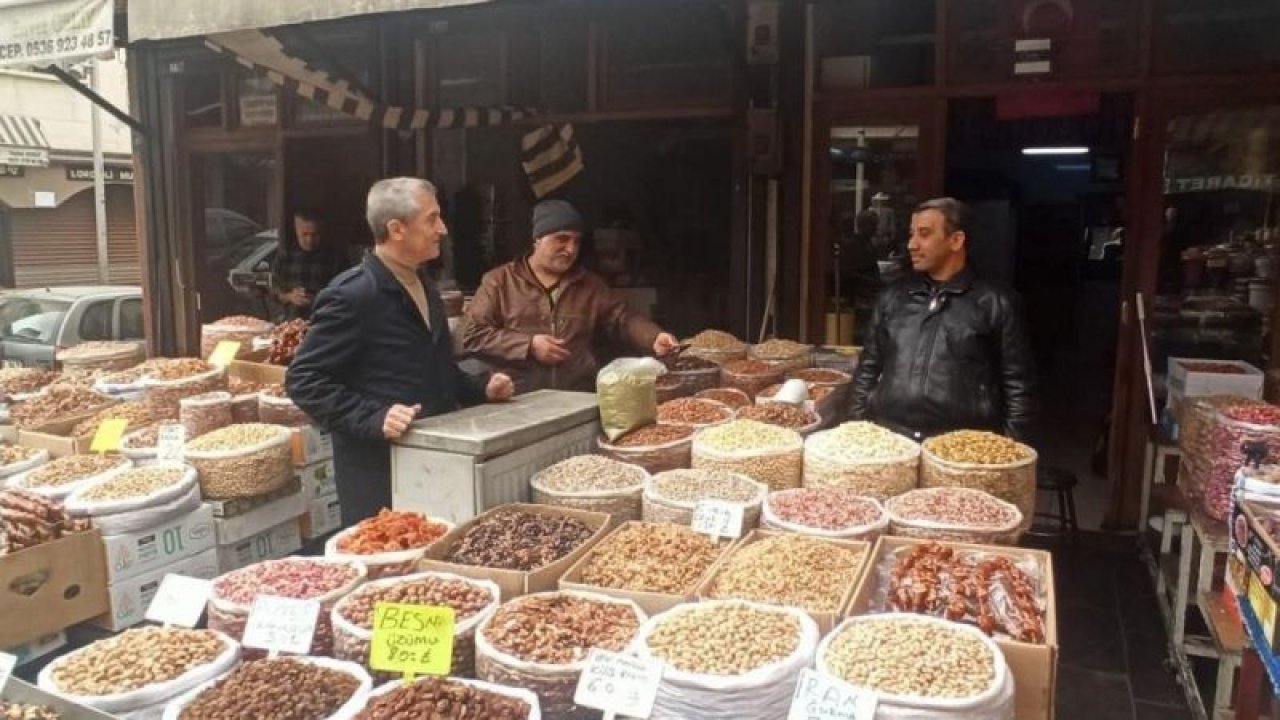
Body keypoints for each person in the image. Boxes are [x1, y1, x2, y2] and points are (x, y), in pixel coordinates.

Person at [287, 178, 514, 525]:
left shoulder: (425, 285)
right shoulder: (352, 296)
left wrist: (480, 387)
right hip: (379, 479)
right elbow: (304, 380)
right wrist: (374, 417)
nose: (442, 228)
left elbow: (435, 369)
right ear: (396, 228)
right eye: (432, 218)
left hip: (433, 466)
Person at [851, 197, 1036, 441]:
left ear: (956, 240)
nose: (911, 245)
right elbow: (868, 369)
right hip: (891, 439)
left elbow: (1019, 387)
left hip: (963, 446)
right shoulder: (893, 298)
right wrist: (856, 428)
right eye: (911, 234)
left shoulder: (995, 302)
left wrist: (1010, 450)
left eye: (924, 234)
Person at [462, 199, 680, 393]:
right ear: (537, 239)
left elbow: (622, 318)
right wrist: (528, 345)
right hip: (519, 400)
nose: (570, 249)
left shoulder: (590, 285)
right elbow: (471, 334)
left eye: (576, 241)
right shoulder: (499, 281)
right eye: (562, 239)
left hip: (577, 397)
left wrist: (653, 337)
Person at [271, 209, 352, 319]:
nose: (310, 240)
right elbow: (273, 289)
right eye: (305, 234)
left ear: (322, 231)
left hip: (326, 321)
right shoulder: (285, 255)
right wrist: (289, 296)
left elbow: (348, 293)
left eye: (315, 234)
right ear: (296, 230)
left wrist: (320, 299)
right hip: (290, 323)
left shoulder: (336, 257)